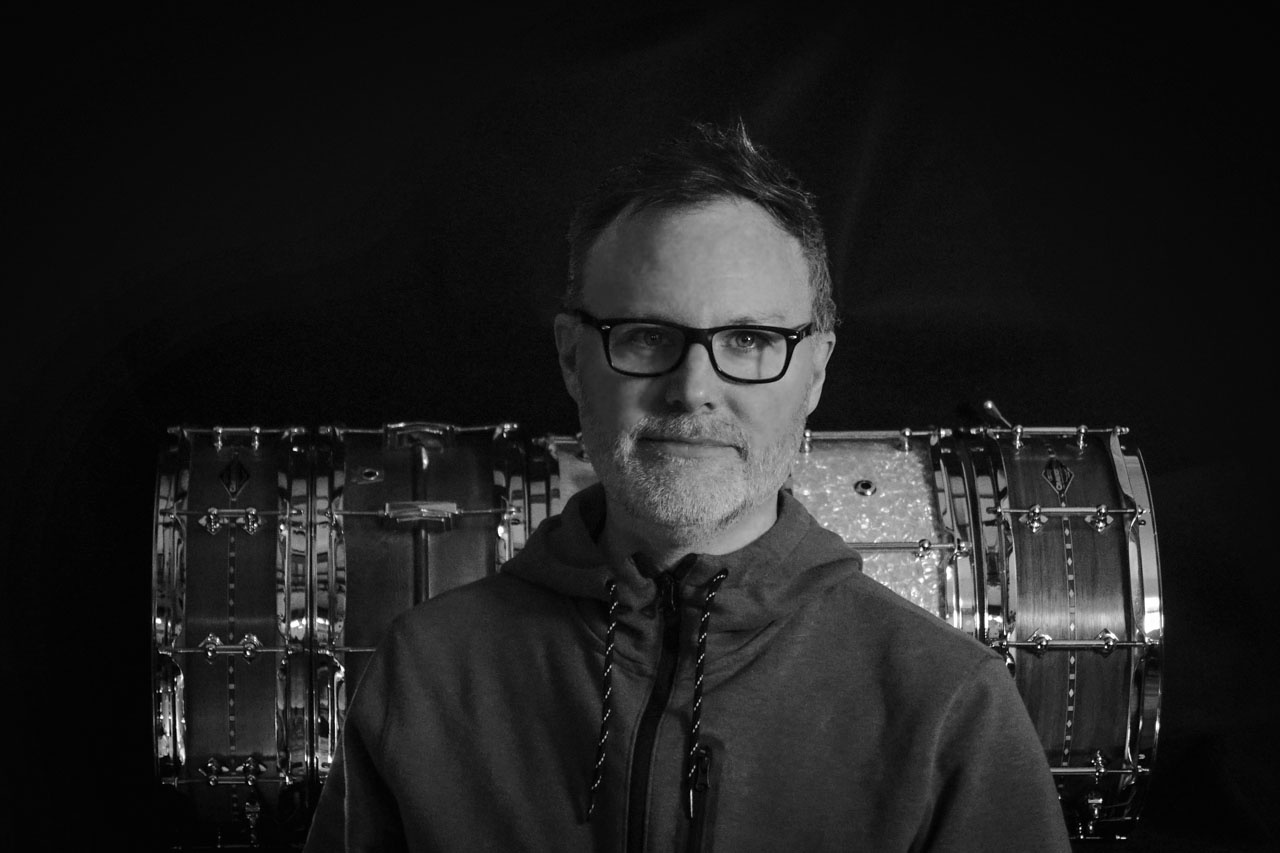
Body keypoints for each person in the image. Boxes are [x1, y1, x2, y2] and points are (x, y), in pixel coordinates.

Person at [302, 121, 1072, 852]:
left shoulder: (949, 703)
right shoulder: (426, 671)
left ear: (816, 370)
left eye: (749, 339)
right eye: (645, 336)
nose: (693, 388)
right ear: (573, 358)